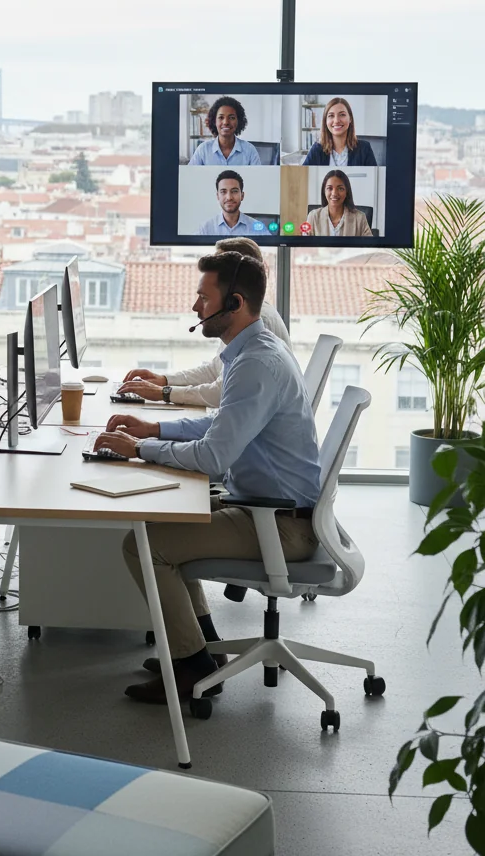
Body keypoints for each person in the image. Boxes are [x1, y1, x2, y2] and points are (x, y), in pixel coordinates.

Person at [91, 251, 321, 705]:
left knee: (144, 546)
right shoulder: (251, 351)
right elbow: (219, 423)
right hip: (266, 506)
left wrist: (138, 449)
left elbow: (214, 456)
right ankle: (203, 649)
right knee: (168, 523)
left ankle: (190, 665)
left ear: (234, 303)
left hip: (281, 524)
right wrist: (154, 428)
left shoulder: (256, 364)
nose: (195, 308)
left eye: (203, 298)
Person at [117, 237, 292, 407]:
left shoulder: (260, 322)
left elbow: (222, 392)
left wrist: (165, 393)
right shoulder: (241, 318)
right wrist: (164, 381)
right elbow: (214, 370)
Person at [302, 97, 378, 167]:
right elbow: (302, 178)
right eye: (331, 116)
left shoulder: (364, 148)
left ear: (350, 118)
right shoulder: (316, 149)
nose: (336, 121)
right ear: (325, 121)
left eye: (342, 115)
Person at [188, 96, 262, 166]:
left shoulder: (250, 150)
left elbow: (258, 178)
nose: (226, 122)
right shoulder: (203, 150)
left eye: (232, 118)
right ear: (214, 121)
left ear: (238, 121)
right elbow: (190, 176)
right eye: (221, 117)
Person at [196, 171, 271, 237]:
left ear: (242, 196)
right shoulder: (205, 229)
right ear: (218, 196)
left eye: (234, 191)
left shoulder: (258, 227)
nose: (229, 197)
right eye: (223, 192)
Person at [305, 170, 373, 238]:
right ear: (324, 191)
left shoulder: (360, 218)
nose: (334, 193)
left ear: (347, 192)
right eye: (329, 188)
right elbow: (304, 245)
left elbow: (371, 246)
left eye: (340, 189)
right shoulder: (313, 217)